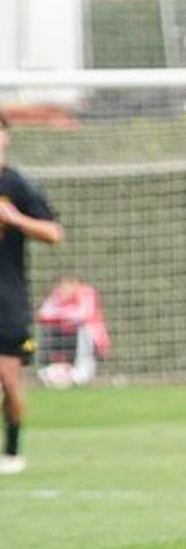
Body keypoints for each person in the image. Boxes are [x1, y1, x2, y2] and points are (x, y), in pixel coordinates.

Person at [0, 112, 65, 476]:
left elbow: (54, 233)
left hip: (6, 296)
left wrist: (14, 219)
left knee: (9, 381)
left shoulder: (17, 184)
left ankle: (11, 450)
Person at [35, 275, 108, 388]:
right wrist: (65, 315)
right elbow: (43, 314)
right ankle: (46, 370)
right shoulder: (57, 295)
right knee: (46, 330)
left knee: (85, 328)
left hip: (91, 340)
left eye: (67, 287)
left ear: (76, 285)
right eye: (61, 287)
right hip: (65, 337)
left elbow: (84, 315)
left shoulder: (87, 293)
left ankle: (82, 372)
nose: (63, 290)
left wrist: (60, 314)